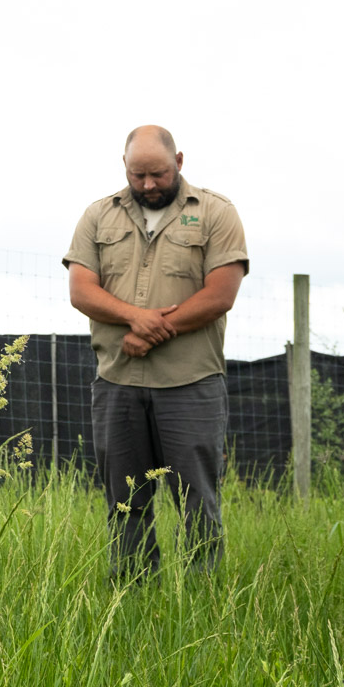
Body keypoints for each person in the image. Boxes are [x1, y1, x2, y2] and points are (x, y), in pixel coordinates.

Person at [64, 125, 248, 577]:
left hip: (191, 383)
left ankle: (203, 605)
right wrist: (134, 317)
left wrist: (151, 330)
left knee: (198, 503)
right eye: (138, 174)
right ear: (124, 168)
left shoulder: (216, 213)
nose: (148, 184)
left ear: (179, 162)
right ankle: (130, 600)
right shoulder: (97, 216)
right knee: (125, 504)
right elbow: (81, 290)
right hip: (117, 382)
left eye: (158, 174)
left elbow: (220, 294)